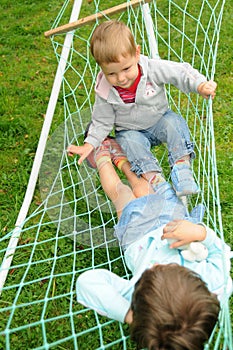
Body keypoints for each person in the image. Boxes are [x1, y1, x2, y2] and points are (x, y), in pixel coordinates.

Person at [68, 138, 232, 350]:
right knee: (142, 186)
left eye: (149, 272)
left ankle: (102, 158)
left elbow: (87, 282)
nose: (154, 264)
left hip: (137, 234)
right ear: (199, 284)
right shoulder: (218, 285)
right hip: (177, 223)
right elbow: (221, 252)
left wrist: (131, 315)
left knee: (122, 194)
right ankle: (123, 163)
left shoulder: (137, 302)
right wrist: (200, 232)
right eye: (166, 268)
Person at [68, 20, 217, 197]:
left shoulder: (152, 69)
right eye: (111, 74)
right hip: (130, 131)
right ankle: (157, 183)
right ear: (101, 69)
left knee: (174, 123)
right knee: (130, 143)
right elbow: (102, 121)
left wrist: (199, 85)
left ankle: (182, 168)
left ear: (137, 53)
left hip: (159, 120)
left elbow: (179, 72)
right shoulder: (105, 90)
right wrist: (89, 144)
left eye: (126, 69)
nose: (121, 78)